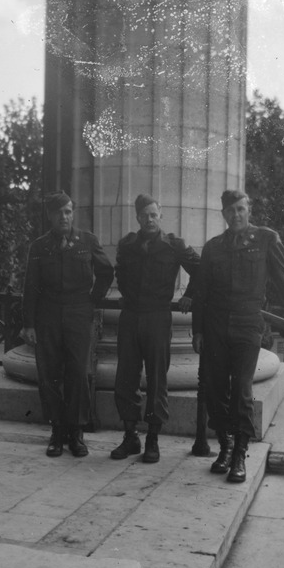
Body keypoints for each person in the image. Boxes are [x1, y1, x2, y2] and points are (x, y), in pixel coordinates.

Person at [192, 189, 284, 483]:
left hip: (248, 325)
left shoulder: (266, 239)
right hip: (216, 326)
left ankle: (239, 455)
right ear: (223, 215)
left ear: (249, 210)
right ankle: (225, 445)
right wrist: (197, 330)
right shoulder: (213, 248)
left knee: (242, 390)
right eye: (230, 211)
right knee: (214, 389)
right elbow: (201, 293)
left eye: (241, 209)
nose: (236, 215)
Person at [22, 190, 114, 458]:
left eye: (68, 211)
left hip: (78, 313)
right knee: (49, 374)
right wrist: (29, 324)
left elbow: (106, 272)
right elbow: (31, 286)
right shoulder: (39, 247)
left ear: (73, 214)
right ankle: (56, 432)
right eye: (59, 212)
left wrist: (91, 300)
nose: (64, 216)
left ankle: (76, 433)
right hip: (47, 315)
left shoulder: (87, 241)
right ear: (50, 216)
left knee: (77, 373)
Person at [110, 193, 201, 464]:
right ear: (137, 217)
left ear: (160, 214)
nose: (149, 219)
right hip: (130, 317)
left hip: (158, 318)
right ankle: (130, 437)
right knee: (125, 377)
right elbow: (120, 273)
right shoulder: (128, 245)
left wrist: (190, 295)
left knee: (157, 379)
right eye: (144, 215)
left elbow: (201, 269)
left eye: (153, 214)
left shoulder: (174, 245)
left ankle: (152, 438)